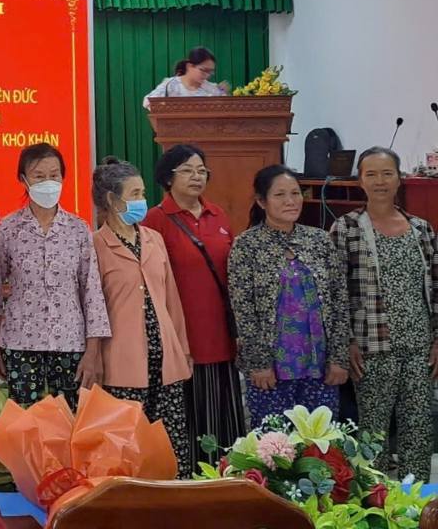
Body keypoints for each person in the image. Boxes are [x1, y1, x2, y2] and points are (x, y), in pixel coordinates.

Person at [332, 147, 438, 481]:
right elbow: (335, 293)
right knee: (372, 432)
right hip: (371, 347)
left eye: (387, 173)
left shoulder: (421, 229)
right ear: (361, 180)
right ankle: (373, 503)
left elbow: (435, 288)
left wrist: (437, 339)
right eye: (371, 174)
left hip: (420, 346)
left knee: (419, 427)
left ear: (399, 179)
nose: (380, 181)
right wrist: (346, 342)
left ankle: (416, 503)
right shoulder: (345, 228)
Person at [0, 143, 109, 411]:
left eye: (54, 175)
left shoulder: (78, 229)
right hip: (20, 343)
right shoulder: (8, 229)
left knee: (68, 424)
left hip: (69, 341)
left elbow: (92, 291)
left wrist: (93, 350)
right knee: (24, 425)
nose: (48, 182)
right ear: (23, 180)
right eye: (39, 176)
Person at [143, 145, 245, 467]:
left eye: (201, 170)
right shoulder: (156, 220)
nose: (196, 176)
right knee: (187, 422)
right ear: (167, 177)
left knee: (225, 420)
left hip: (221, 336)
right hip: (180, 339)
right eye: (187, 170)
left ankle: (226, 484)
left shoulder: (219, 215)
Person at [90, 157, 193, 478]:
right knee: (125, 448)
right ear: (112, 199)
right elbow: (92, 307)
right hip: (121, 363)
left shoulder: (154, 239)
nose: (141, 200)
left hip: (166, 360)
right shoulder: (95, 245)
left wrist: (183, 349)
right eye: (134, 193)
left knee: (170, 443)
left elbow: (171, 298)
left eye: (142, 192)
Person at [229, 165, 350, 426]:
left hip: (319, 366)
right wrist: (258, 363)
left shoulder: (319, 240)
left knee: (321, 447)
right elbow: (243, 310)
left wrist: (339, 358)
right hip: (271, 369)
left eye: (296, 193)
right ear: (262, 201)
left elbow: (339, 300)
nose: (290, 201)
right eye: (280, 195)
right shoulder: (246, 245)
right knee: (274, 450)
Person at [143, 46, 226, 109]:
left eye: (210, 72)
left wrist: (224, 93)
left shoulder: (211, 88)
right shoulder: (171, 84)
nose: (207, 75)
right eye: (203, 70)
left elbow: (227, 106)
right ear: (190, 66)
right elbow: (147, 101)